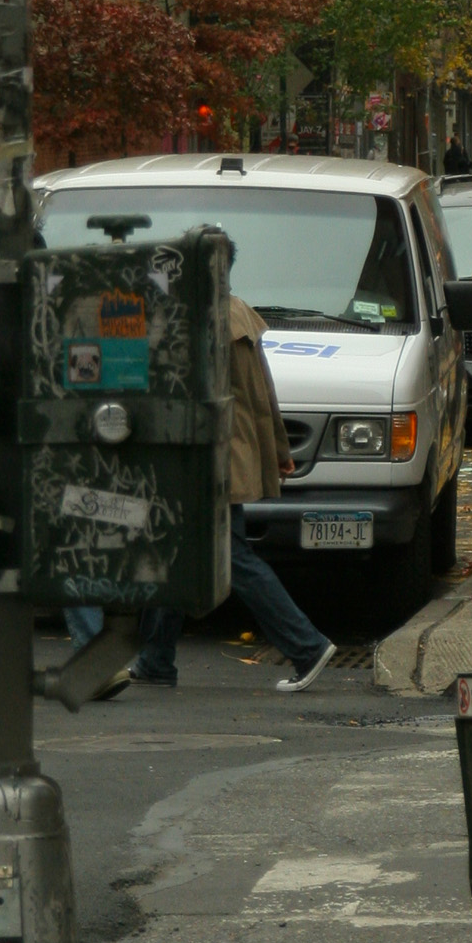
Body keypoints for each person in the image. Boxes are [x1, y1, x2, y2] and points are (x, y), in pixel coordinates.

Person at [133, 284, 337, 693]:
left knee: (231, 557)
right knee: (176, 549)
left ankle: (307, 646)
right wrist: (278, 448)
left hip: (202, 459)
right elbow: (264, 393)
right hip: (228, 454)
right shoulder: (238, 315)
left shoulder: (189, 321)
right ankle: (156, 659)